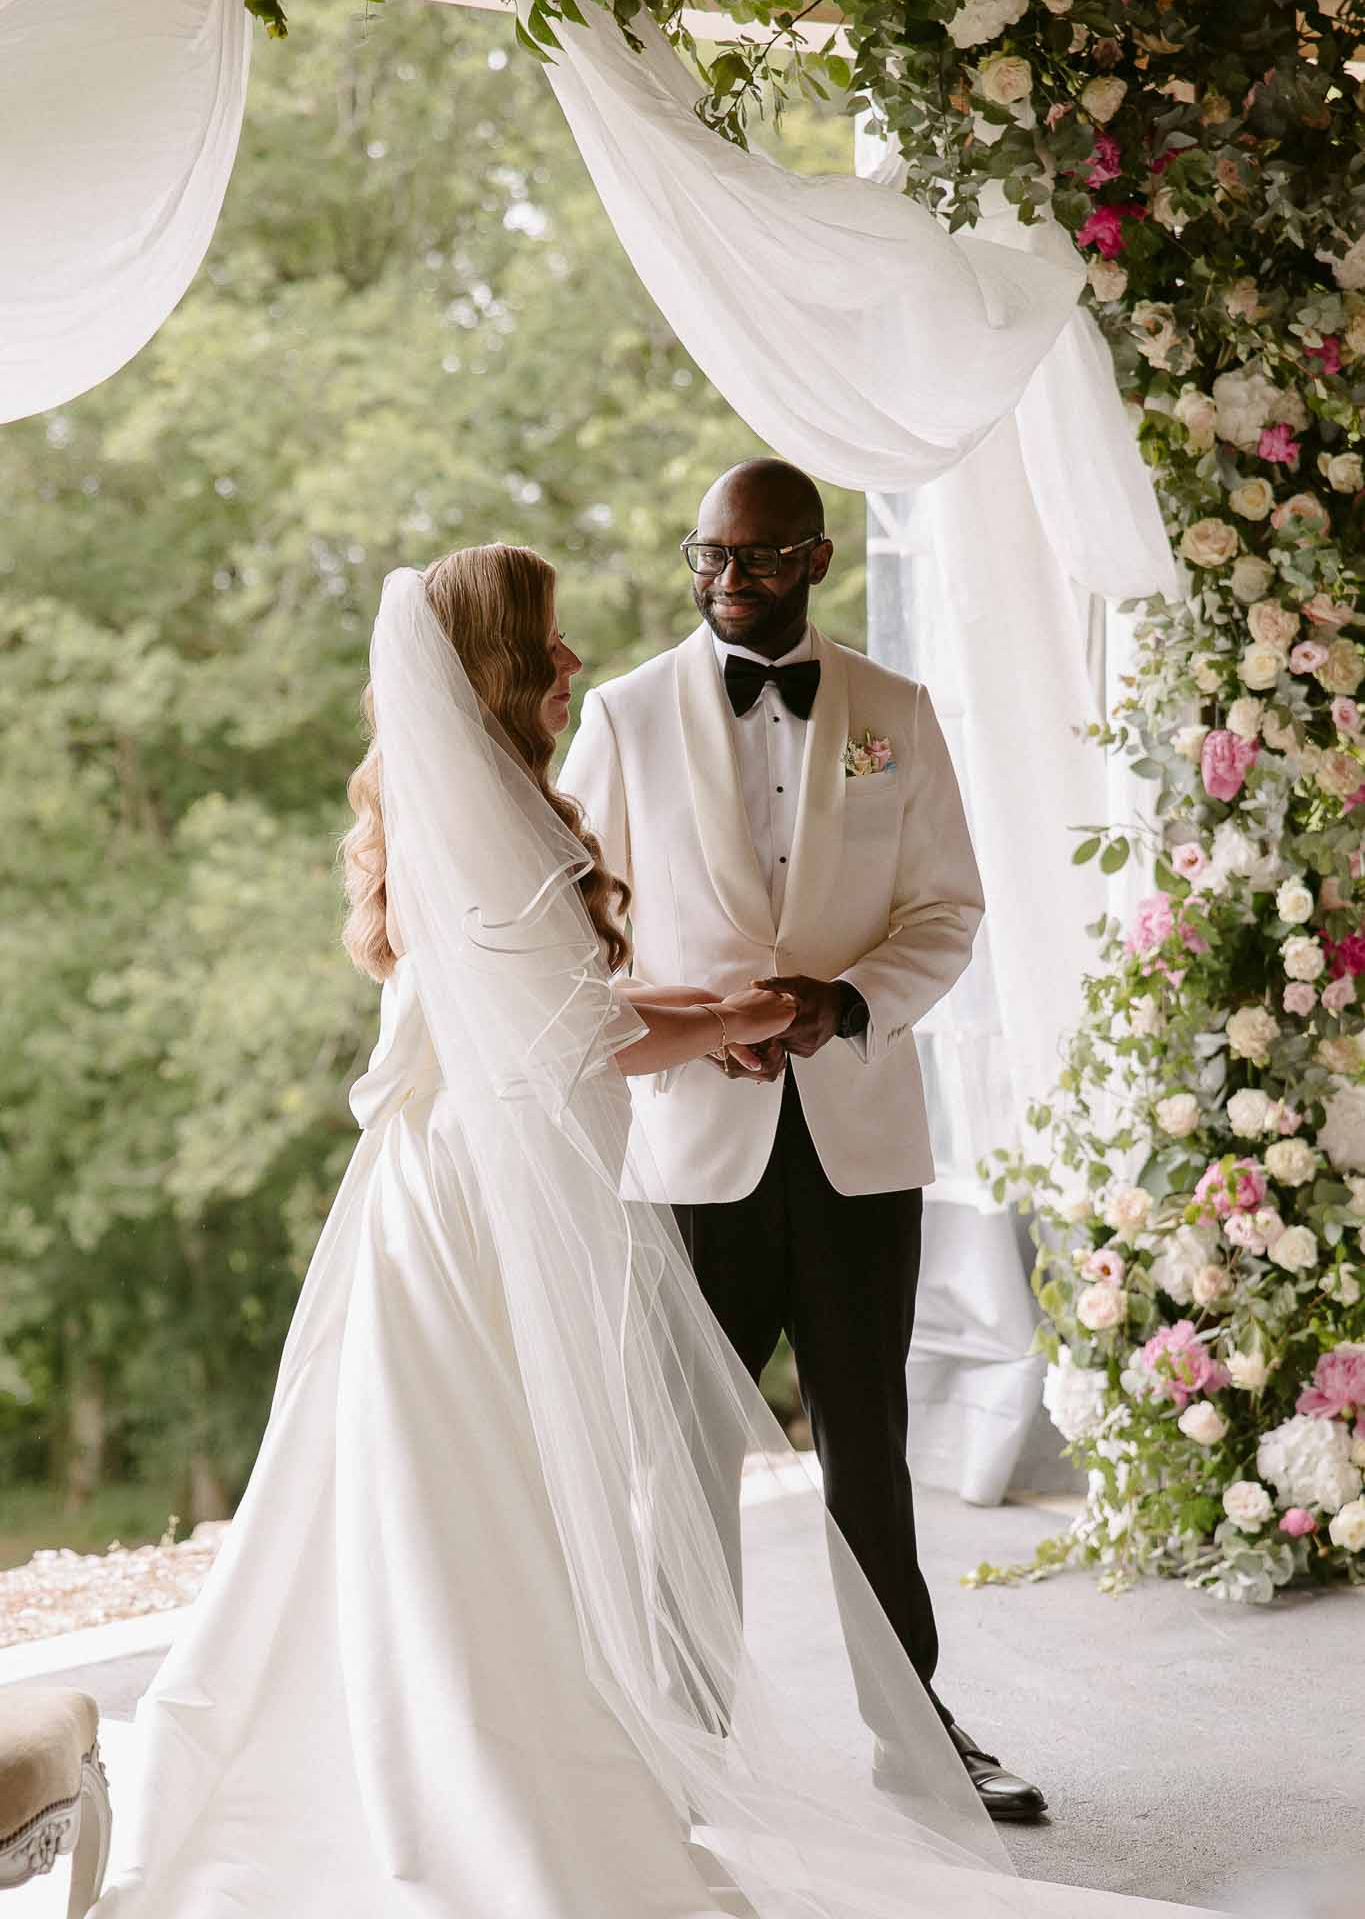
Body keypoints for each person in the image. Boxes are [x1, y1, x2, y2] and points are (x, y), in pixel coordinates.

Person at [89, 545, 1179, 1919]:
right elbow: (573, 1030)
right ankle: (494, 1769)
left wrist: (747, 1017)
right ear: (492, 664)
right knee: (492, 1487)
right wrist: (730, 1022)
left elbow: (567, 1016)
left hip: (509, 1176)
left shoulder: (495, 797)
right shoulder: (498, 805)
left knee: (527, 1488)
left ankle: (591, 1741)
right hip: (481, 1204)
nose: (567, 663)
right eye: (542, 643)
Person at [560, 459, 1046, 1822]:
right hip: (687, 1148)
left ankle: (917, 1730)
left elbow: (945, 908)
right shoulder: (623, 712)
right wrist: (685, 1020)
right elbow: (572, 920)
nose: (726, 581)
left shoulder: (893, 711)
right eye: (706, 556)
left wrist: (840, 1003)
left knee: (868, 1451)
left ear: (818, 560)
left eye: (758, 560)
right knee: (682, 1453)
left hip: (855, 1143)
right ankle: (685, 1741)